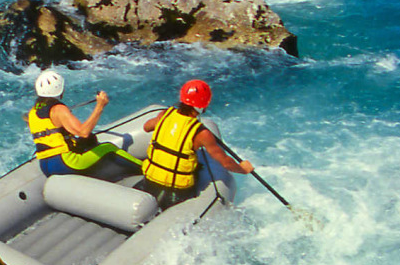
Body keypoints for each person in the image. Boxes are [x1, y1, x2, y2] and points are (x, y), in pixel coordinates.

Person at [140, 79, 255, 209]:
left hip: (149, 181)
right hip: (176, 191)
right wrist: (243, 169)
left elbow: (146, 127)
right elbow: (225, 163)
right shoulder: (202, 133)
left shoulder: (164, 115)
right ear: (203, 105)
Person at [27, 69, 142, 179]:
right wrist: (100, 106)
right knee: (108, 147)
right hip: (65, 162)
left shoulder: (32, 112)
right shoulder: (58, 109)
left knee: (88, 142)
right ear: (60, 90)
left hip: (45, 166)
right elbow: (83, 132)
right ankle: (145, 169)